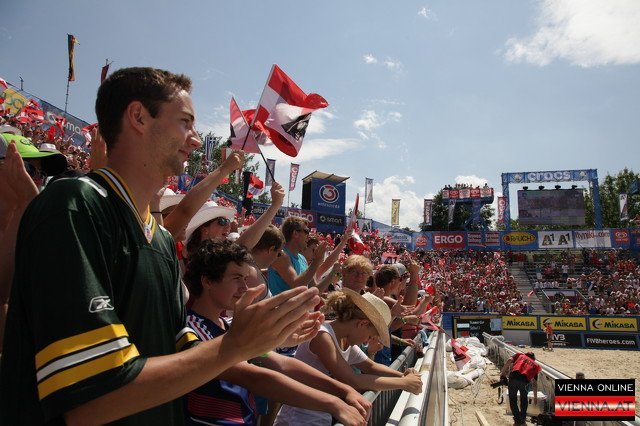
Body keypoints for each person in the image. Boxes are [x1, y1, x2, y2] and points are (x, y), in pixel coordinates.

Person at [0, 67, 321, 425]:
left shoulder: (161, 238)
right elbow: (91, 400)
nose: (196, 140)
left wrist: (262, 336)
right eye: (185, 122)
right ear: (138, 116)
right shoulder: (75, 204)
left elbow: (182, 350)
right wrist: (235, 345)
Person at [182, 240, 367, 426]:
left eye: (245, 279)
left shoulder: (229, 325)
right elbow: (253, 377)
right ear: (207, 281)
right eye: (236, 278)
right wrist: (333, 402)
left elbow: (281, 363)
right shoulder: (191, 330)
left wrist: (343, 390)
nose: (244, 288)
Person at [274, 289, 423, 426]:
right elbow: (352, 380)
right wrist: (404, 383)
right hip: (297, 418)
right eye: (370, 336)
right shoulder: (322, 336)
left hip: (320, 415)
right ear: (362, 324)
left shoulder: (345, 341)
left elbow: (371, 366)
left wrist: (403, 376)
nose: (366, 342)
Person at [268, 216, 328, 295]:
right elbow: (296, 286)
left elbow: (314, 290)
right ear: (295, 233)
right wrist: (316, 261)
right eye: (306, 231)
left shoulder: (302, 258)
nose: (309, 235)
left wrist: (333, 272)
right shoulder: (280, 254)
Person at [501, 352, 541, 426]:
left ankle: (517, 421)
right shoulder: (535, 365)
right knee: (524, 400)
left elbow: (509, 360)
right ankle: (522, 421)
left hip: (513, 378)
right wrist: (535, 397)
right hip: (524, 382)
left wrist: (502, 374)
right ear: (533, 359)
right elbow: (535, 383)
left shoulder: (520, 355)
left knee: (513, 400)